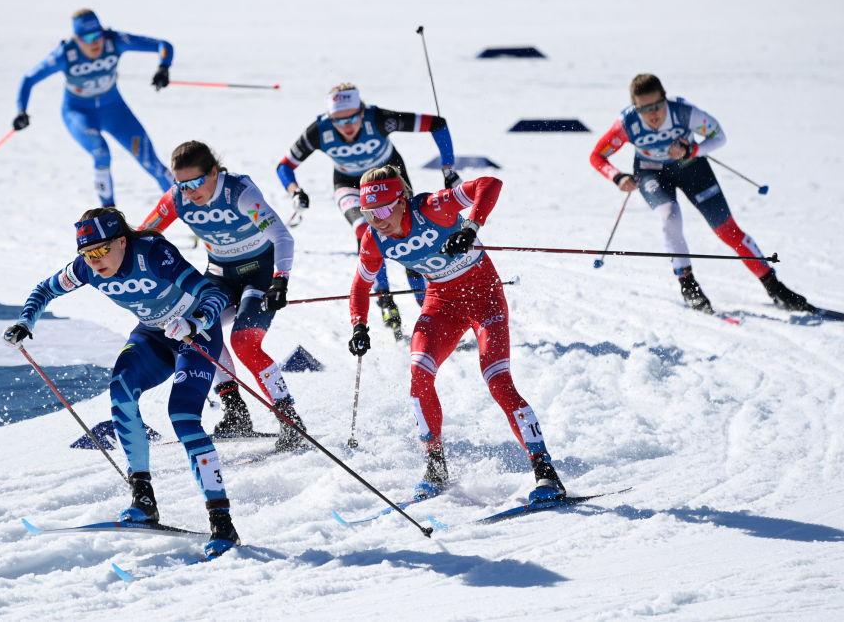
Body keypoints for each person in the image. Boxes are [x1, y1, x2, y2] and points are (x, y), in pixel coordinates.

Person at [2, 207, 239, 558]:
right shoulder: (85, 268)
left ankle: (222, 522)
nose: (94, 261)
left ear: (122, 242)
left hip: (194, 336)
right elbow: (45, 290)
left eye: (100, 250)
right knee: (121, 393)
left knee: (183, 417)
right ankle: (143, 499)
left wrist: (196, 323)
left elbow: (213, 295)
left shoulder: (155, 255)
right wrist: (26, 321)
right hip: (154, 336)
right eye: (86, 253)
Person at [346, 165, 566, 504]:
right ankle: (435, 466)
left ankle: (545, 469)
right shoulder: (373, 239)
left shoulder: (434, 207)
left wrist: (471, 225)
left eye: (385, 209)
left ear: (402, 201)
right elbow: (361, 285)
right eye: (369, 213)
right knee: (419, 376)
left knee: (498, 381)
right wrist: (359, 324)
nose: (378, 220)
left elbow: (490, 184)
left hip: (484, 298)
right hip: (441, 305)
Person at [590, 73, 814, 314]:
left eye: (657, 106)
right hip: (651, 173)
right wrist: (618, 176)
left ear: (665, 99)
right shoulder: (627, 124)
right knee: (670, 217)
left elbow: (719, 136)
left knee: (727, 230)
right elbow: (597, 156)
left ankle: (775, 287)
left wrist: (692, 149)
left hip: (691, 167)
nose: (652, 114)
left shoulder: (683, 112)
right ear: (635, 107)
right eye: (644, 109)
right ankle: (688, 285)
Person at [140, 141, 309, 452]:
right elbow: (144, 235)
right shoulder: (177, 198)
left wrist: (280, 282)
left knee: (244, 342)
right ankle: (235, 411)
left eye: (195, 182)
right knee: (200, 330)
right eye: (181, 184)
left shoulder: (238, 192)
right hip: (219, 275)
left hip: (260, 272)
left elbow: (282, 236)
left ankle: (290, 418)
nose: (189, 192)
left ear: (214, 173)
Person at [276, 82, 463, 341]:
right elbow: (284, 166)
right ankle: (385, 301)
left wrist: (448, 170)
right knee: (366, 230)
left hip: (390, 180)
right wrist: (295, 191)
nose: (347, 125)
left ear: (362, 111)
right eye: (339, 120)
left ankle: (427, 304)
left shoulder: (379, 119)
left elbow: (437, 123)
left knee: (407, 232)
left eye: (353, 117)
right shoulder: (318, 131)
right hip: (349, 185)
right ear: (329, 118)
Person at [13, 9, 175, 208]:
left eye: (98, 34)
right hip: (79, 113)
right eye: (88, 38)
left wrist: (163, 67)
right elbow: (28, 79)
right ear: (77, 39)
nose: (95, 42)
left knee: (151, 162)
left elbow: (163, 45)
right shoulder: (65, 54)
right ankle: (110, 219)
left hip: (115, 111)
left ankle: (190, 211)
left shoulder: (114, 41)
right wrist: (22, 111)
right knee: (101, 153)